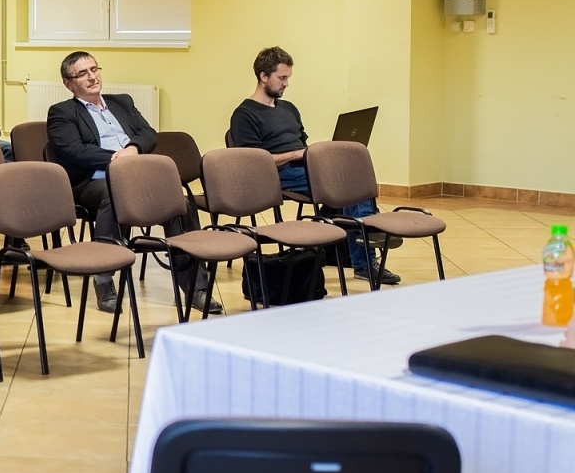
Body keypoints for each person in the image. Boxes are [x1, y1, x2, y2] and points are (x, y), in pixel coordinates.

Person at [46, 51, 219, 315]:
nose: (92, 76)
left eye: (94, 69)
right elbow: (73, 150)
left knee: (180, 203)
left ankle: (197, 287)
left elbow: (148, 133)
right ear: (69, 83)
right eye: (83, 73)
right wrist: (117, 158)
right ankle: (104, 281)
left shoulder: (122, 102)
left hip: (137, 176)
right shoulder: (62, 112)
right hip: (94, 181)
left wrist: (134, 149)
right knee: (114, 195)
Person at [230, 46, 395, 285]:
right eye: (282, 78)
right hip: (276, 175)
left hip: (303, 167)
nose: (286, 84)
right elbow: (254, 162)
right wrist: (296, 154)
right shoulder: (244, 115)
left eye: (288, 78)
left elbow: (303, 143)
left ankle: (347, 236)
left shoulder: (288, 109)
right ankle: (365, 254)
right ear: (263, 76)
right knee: (347, 185)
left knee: (354, 175)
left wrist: (316, 155)